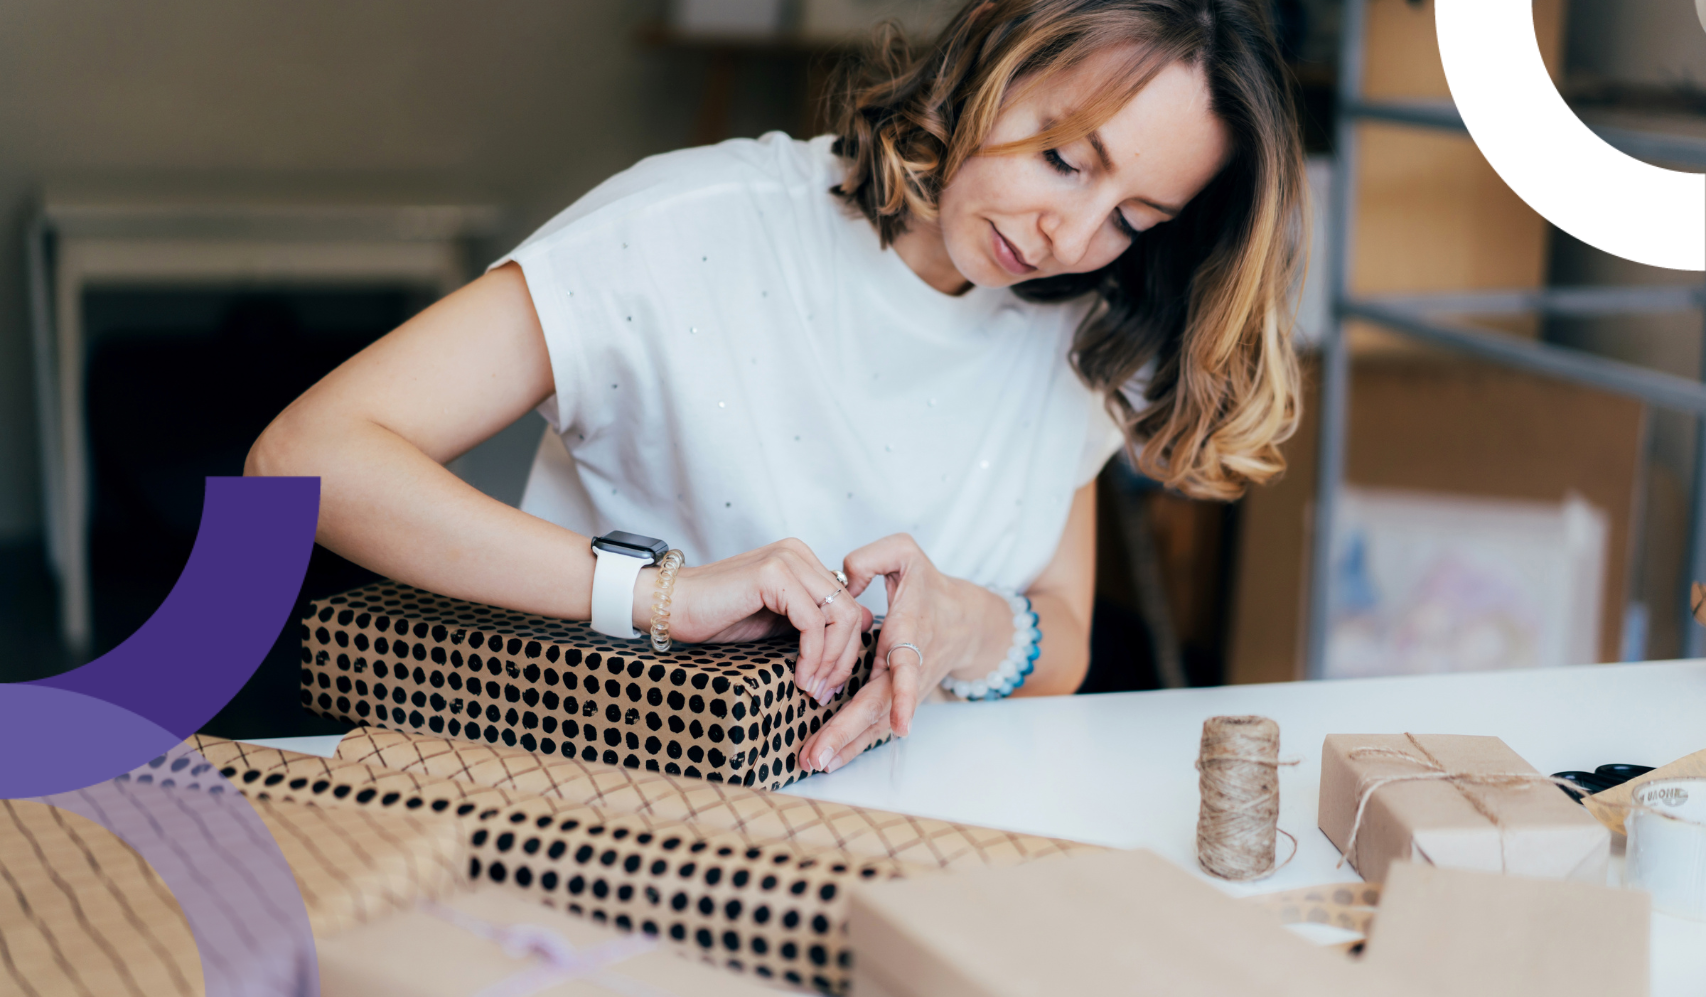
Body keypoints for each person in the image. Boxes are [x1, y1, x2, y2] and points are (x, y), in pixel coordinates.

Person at [248, 0, 1305, 776]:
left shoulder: (1085, 326)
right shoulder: (691, 225)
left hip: (903, 849)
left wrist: (966, 628)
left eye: (1133, 219)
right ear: (992, 51)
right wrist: (664, 593)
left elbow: (1062, 634)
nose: (1071, 238)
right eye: (1066, 160)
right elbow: (304, 459)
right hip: (592, 815)